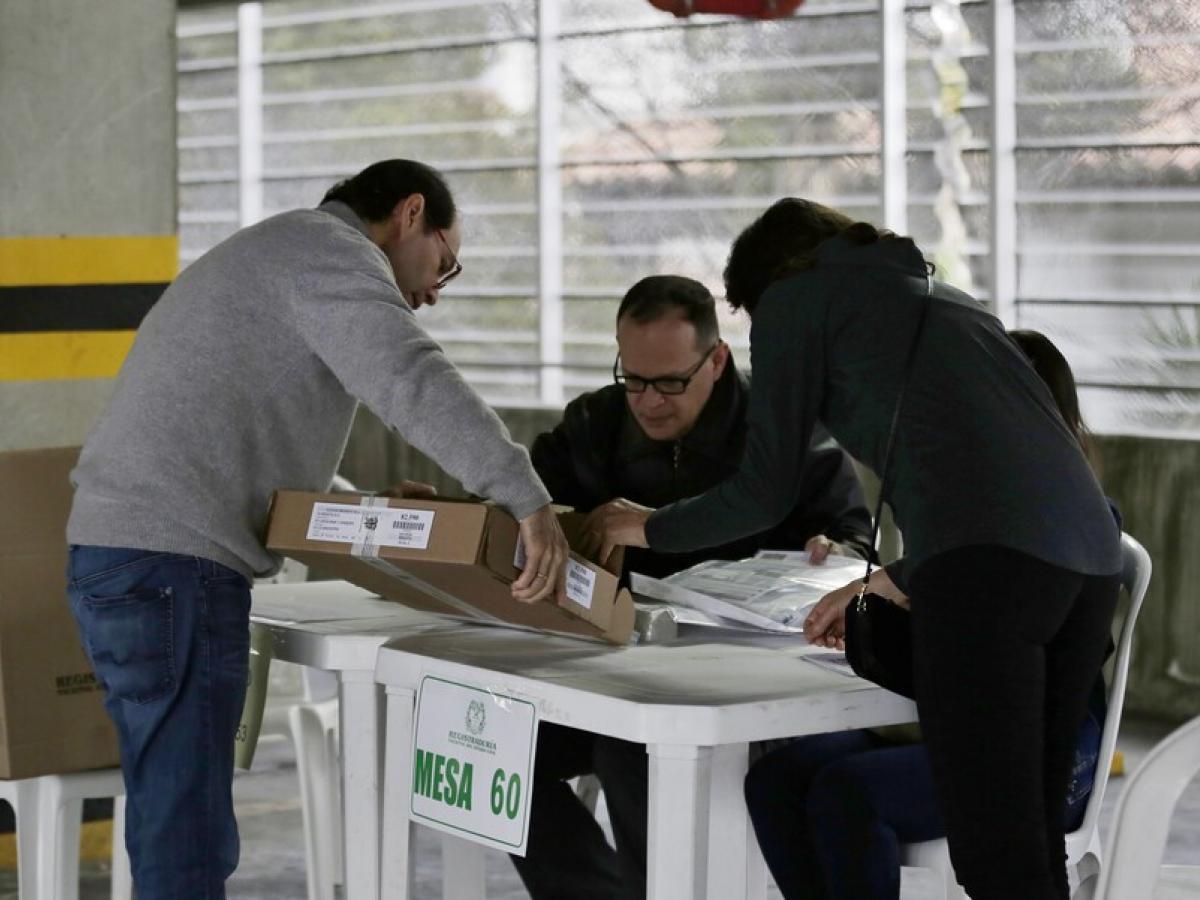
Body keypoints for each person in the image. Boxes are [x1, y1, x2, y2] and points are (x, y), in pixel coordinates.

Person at [589, 199, 1122, 900]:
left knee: (995, 854)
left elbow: (764, 490)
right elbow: (1023, 483)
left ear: (761, 288)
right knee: (1027, 843)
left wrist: (643, 527)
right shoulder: (942, 299)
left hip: (989, 574)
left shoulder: (794, 304)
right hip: (1090, 565)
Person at [65, 159, 570, 899]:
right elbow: (408, 377)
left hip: (120, 560)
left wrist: (365, 503)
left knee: (171, 812)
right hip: (171, 567)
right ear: (408, 214)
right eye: (443, 264)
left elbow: (251, 451)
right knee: (188, 833)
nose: (432, 291)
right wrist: (525, 498)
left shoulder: (278, 253)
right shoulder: (329, 253)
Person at [511, 274, 872, 899]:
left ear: (717, 359)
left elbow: (856, 545)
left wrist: (837, 551)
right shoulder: (594, 424)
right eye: (634, 379)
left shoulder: (784, 432)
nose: (649, 402)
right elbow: (519, 507)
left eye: (671, 382)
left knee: (634, 747)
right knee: (487, 741)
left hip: (752, 690)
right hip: (611, 671)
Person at [739, 327, 1118, 900]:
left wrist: (900, 577)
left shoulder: (1081, 519)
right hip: (936, 723)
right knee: (777, 778)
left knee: (849, 791)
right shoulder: (962, 507)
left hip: (1047, 754)